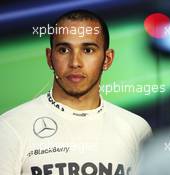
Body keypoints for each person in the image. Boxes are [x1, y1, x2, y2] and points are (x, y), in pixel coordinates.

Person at [0, 10, 152, 175]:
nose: (75, 63)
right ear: (50, 58)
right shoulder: (11, 127)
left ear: (107, 59)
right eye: (64, 50)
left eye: (88, 50)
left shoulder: (137, 129)